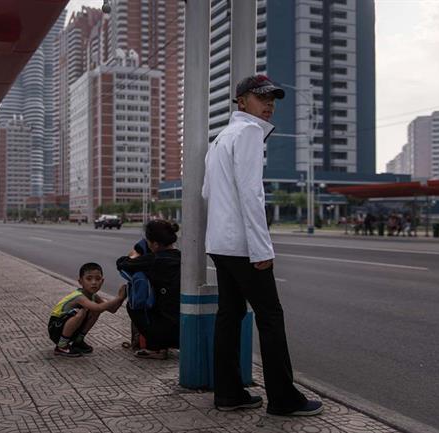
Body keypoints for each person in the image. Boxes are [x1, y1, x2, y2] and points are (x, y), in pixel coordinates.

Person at [202, 74, 322, 416]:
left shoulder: (221, 138)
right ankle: (283, 399)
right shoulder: (250, 133)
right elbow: (252, 194)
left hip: (220, 243)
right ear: (242, 101)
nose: (269, 104)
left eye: (272, 99)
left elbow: (207, 192)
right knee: (270, 316)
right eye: (261, 97)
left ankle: (228, 393)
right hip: (242, 245)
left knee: (230, 314)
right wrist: (262, 249)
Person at [116, 220, 181, 359]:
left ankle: (156, 348)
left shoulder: (153, 260)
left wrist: (136, 252)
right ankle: (159, 344)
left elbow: (122, 264)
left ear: (156, 244)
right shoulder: (182, 257)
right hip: (184, 332)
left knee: (133, 305)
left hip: (167, 332)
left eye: (149, 242)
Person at [48, 263, 126, 357]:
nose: (94, 282)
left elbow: (112, 309)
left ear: (102, 281)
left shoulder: (93, 296)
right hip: (55, 328)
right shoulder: (79, 297)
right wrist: (117, 298)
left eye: (98, 279)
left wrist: (122, 297)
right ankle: (61, 346)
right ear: (80, 281)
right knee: (81, 312)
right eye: (89, 279)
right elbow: (99, 307)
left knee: (95, 311)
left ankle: (78, 341)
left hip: (66, 328)